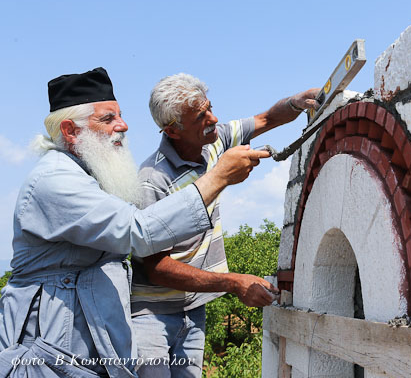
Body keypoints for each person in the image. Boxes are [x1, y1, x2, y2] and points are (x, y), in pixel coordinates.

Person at [0, 67, 272, 377]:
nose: (123, 125)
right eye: (108, 119)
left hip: (81, 348)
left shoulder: (89, 175)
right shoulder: (55, 181)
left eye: (120, 115)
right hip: (50, 352)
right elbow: (139, 232)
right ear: (70, 131)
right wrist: (219, 177)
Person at [131, 73, 319, 376]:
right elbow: (154, 267)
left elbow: (266, 119)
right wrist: (233, 282)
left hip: (194, 311)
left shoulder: (215, 139)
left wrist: (295, 103)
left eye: (210, 107)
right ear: (172, 131)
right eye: (200, 117)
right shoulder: (152, 180)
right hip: (152, 317)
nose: (213, 118)